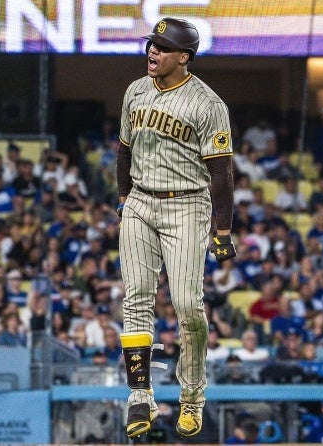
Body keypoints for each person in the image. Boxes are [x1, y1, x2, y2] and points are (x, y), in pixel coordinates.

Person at [116, 17, 235, 439]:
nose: (153, 52)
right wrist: (122, 196)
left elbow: (220, 173)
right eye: (152, 44)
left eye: (162, 48)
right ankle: (140, 396)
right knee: (136, 299)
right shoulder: (135, 91)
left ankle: (192, 396)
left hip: (187, 204)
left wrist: (223, 231)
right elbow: (123, 150)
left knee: (187, 304)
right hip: (141, 201)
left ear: (183, 57)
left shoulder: (207, 103)